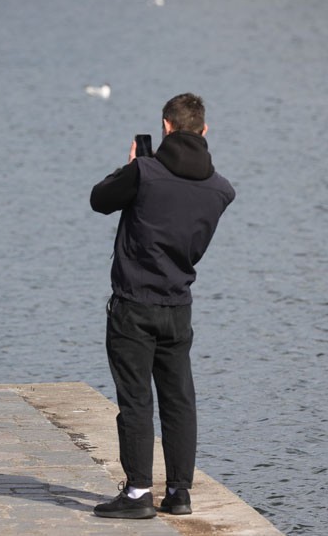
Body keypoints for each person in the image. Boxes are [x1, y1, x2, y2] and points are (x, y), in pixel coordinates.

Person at [89, 93, 235, 518]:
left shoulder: (145, 172)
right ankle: (178, 493)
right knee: (178, 399)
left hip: (134, 305)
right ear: (204, 130)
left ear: (166, 127)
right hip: (178, 306)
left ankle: (137, 494)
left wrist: (132, 165)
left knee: (135, 400)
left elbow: (100, 199)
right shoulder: (220, 189)